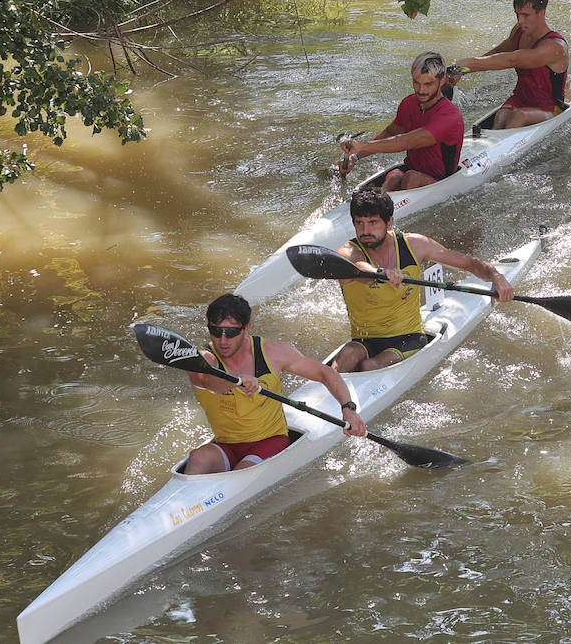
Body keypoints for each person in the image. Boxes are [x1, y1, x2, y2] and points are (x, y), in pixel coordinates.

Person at [332, 187, 515, 372]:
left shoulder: (415, 245)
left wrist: (496, 276)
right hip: (363, 339)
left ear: (389, 223)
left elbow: (470, 263)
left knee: (369, 365)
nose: (365, 231)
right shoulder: (347, 253)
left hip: (408, 336)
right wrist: (381, 273)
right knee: (346, 357)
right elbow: (359, 268)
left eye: (373, 223)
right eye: (359, 223)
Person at [183, 293, 366, 475]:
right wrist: (236, 381)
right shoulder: (202, 360)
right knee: (198, 457)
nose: (222, 340)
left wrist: (348, 409)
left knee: (243, 472)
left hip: (269, 441)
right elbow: (211, 382)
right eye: (216, 331)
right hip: (225, 445)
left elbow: (324, 373)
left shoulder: (273, 352)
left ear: (247, 328)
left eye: (230, 332)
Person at [337, 52, 465, 191]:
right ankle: (377, 206)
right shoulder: (409, 103)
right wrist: (354, 157)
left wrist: (362, 146)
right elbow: (390, 132)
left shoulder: (449, 116)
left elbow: (406, 142)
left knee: (411, 178)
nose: (421, 90)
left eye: (428, 84)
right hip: (409, 170)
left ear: (442, 81)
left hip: (441, 178)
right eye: (416, 82)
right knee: (395, 178)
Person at [451, 0, 569, 130]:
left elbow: (511, 59)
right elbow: (496, 54)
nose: (520, 21)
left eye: (526, 15)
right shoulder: (519, 31)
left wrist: (461, 66)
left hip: (551, 108)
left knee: (519, 116)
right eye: (517, 15)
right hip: (520, 99)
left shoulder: (553, 47)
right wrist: (462, 71)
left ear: (542, 13)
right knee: (501, 117)